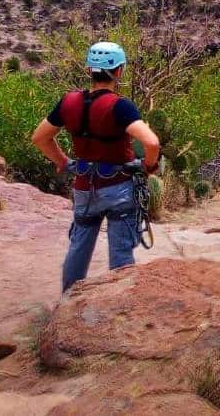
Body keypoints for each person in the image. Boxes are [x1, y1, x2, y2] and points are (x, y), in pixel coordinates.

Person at [31, 42, 160, 292]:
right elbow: (151, 142)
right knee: (121, 253)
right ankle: (119, 302)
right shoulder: (119, 106)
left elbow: (40, 138)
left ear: (90, 70)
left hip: (83, 187)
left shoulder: (68, 102)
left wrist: (63, 162)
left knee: (79, 247)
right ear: (119, 71)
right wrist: (148, 166)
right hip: (119, 189)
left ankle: (69, 300)